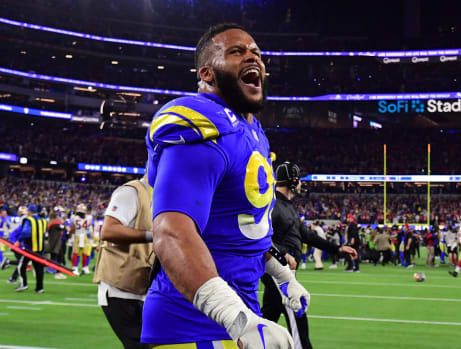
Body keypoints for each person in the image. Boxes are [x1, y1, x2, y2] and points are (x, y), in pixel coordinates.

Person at [142, 23, 295, 348]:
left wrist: (283, 276)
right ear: (207, 73)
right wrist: (233, 315)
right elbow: (171, 231)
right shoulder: (203, 123)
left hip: (239, 314)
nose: (252, 57)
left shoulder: (254, 133)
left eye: (256, 52)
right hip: (193, 324)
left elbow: (246, 230)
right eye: (237, 52)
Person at [262, 161, 357, 349]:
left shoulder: (288, 207)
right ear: (292, 181)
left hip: (283, 271)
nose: (301, 185)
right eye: (299, 180)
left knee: (267, 322)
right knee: (297, 314)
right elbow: (261, 235)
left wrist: (337, 249)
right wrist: (283, 254)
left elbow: (307, 236)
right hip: (279, 271)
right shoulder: (272, 205)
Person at [93, 176, 154, 349]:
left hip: (144, 287)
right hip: (121, 289)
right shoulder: (131, 192)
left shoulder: (162, 195)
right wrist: (153, 235)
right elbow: (109, 230)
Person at [15, 204, 47, 293]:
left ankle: (23, 284)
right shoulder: (43, 220)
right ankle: (39, 288)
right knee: (39, 268)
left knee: (21, 266)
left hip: (30, 248)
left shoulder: (29, 220)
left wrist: (18, 240)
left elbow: (26, 232)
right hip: (40, 247)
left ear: (29, 212)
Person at [69, 203, 93, 275]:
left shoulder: (74, 218)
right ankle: (84, 268)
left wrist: (70, 235)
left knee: (75, 253)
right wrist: (91, 237)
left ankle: (75, 268)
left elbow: (72, 228)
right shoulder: (88, 218)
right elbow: (89, 228)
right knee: (85, 253)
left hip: (77, 236)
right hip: (84, 236)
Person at [46, 212, 66, 280]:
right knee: (59, 257)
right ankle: (58, 272)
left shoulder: (50, 223)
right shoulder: (56, 224)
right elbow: (63, 228)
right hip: (56, 243)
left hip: (51, 242)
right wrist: (62, 222)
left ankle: (51, 269)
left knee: (53, 257)